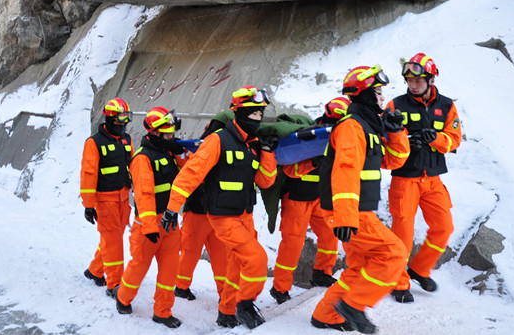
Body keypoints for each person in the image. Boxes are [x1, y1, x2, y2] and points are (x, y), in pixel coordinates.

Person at [162, 85, 278, 329]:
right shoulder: (217, 141)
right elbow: (190, 175)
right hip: (223, 217)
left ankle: (227, 312)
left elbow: (265, 181)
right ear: (242, 113)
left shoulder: (253, 145)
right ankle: (244, 305)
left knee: (235, 267)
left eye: (261, 115)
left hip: (245, 215)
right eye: (255, 114)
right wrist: (173, 208)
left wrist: (267, 153)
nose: (259, 119)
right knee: (257, 258)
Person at [311, 65, 410, 334]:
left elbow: (392, 160)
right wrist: (345, 216)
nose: (382, 98)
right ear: (364, 95)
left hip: (358, 210)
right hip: (351, 212)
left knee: (360, 266)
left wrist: (396, 131)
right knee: (394, 253)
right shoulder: (351, 127)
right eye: (377, 92)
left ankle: (326, 315)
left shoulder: (368, 128)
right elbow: (345, 171)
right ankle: (354, 306)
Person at [385, 53, 462, 303]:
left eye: (419, 79)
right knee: (403, 236)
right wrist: (407, 140)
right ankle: (399, 283)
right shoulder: (395, 105)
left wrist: (436, 139)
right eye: (409, 80)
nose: (414, 84)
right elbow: (385, 139)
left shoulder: (447, 105)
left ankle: (418, 269)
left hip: (433, 180)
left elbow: (455, 139)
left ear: (430, 79)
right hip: (405, 180)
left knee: (444, 227)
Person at [269, 97, 350, 305]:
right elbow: (290, 169)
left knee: (330, 236)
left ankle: (322, 273)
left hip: (321, 198)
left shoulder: (343, 137)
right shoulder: (307, 138)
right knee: (292, 243)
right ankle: (280, 288)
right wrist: (314, 162)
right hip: (297, 198)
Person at [114, 107, 188, 327]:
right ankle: (123, 298)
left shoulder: (169, 152)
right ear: (154, 133)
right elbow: (143, 195)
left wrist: (179, 152)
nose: (171, 136)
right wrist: (149, 226)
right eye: (167, 133)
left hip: (170, 222)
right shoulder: (142, 158)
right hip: (149, 225)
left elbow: (187, 173)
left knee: (169, 272)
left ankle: (163, 312)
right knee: (138, 267)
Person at [80, 97, 133, 297]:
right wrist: (88, 205)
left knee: (114, 238)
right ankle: (114, 284)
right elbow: (88, 174)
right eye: (119, 120)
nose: (123, 124)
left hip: (123, 198)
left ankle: (95, 270)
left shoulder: (127, 139)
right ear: (109, 119)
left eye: (126, 120)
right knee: (113, 242)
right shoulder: (94, 143)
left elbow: (133, 165)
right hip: (105, 200)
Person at [175, 122, 229, 302]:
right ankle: (182, 287)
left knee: (212, 254)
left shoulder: (206, 149)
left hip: (212, 212)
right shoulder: (204, 151)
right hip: (203, 211)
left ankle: (224, 293)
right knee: (192, 252)